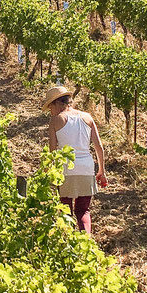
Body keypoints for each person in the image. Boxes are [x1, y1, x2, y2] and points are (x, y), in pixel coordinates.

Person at [43, 86, 106, 234]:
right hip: (86, 168)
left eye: (50, 107)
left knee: (65, 210)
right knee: (83, 210)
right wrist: (101, 171)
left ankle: (69, 243)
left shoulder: (56, 120)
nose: (50, 112)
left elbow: (52, 151)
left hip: (66, 169)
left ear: (56, 103)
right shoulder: (87, 117)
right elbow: (99, 147)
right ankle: (86, 241)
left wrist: (48, 173)